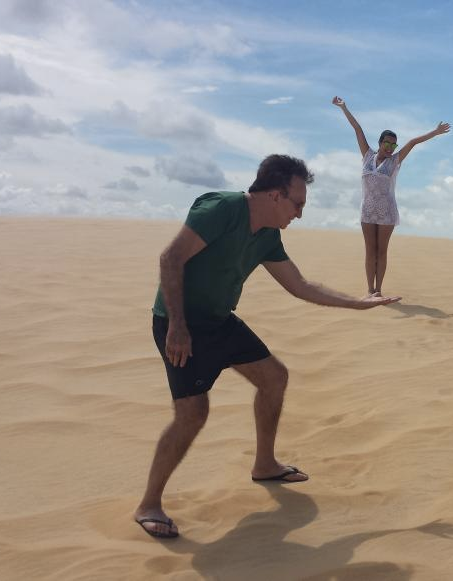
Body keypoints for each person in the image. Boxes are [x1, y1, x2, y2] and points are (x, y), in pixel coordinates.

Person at [133, 154, 401, 539]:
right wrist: (177, 325)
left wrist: (359, 303)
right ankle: (149, 504)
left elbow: (301, 286)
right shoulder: (222, 209)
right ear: (276, 195)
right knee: (193, 413)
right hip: (181, 324)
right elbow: (170, 258)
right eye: (298, 204)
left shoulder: (268, 236)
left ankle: (265, 464)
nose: (300, 214)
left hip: (220, 320)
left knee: (274, 377)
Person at [332, 96, 451, 296]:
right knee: (370, 251)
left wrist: (435, 132)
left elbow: (413, 142)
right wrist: (343, 108)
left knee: (381, 251)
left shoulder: (395, 161)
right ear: (380, 143)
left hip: (386, 211)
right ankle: (370, 290)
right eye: (387, 143)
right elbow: (357, 129)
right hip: (367, 211)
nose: (390, 147)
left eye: (393, 145)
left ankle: (379, 290)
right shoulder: (367, 156)